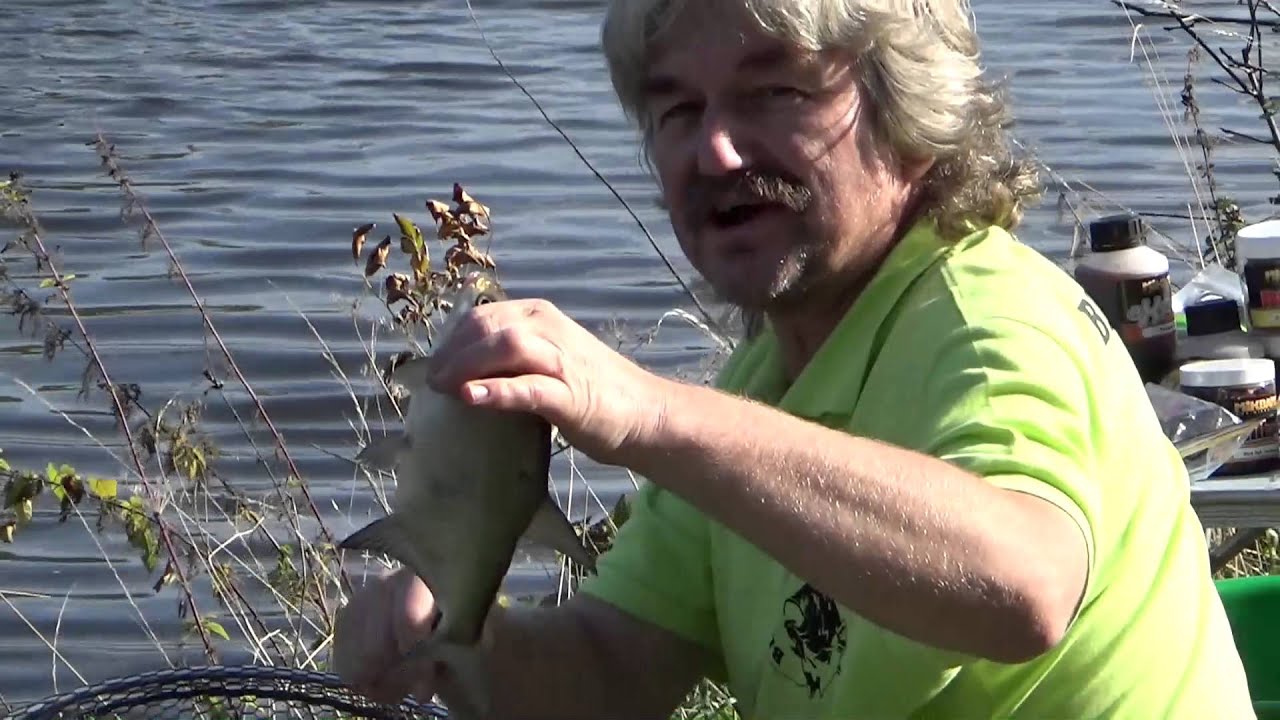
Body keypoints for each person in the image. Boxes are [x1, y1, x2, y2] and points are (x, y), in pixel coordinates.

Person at [332, 0, 1257, 717]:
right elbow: (614, 676)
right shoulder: (771, 384)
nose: (717, 150)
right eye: (677, 110)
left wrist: (648, 414)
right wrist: (461, 640)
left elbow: (1024, 585)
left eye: (775, 91)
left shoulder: (985, 320)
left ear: (908, 114)